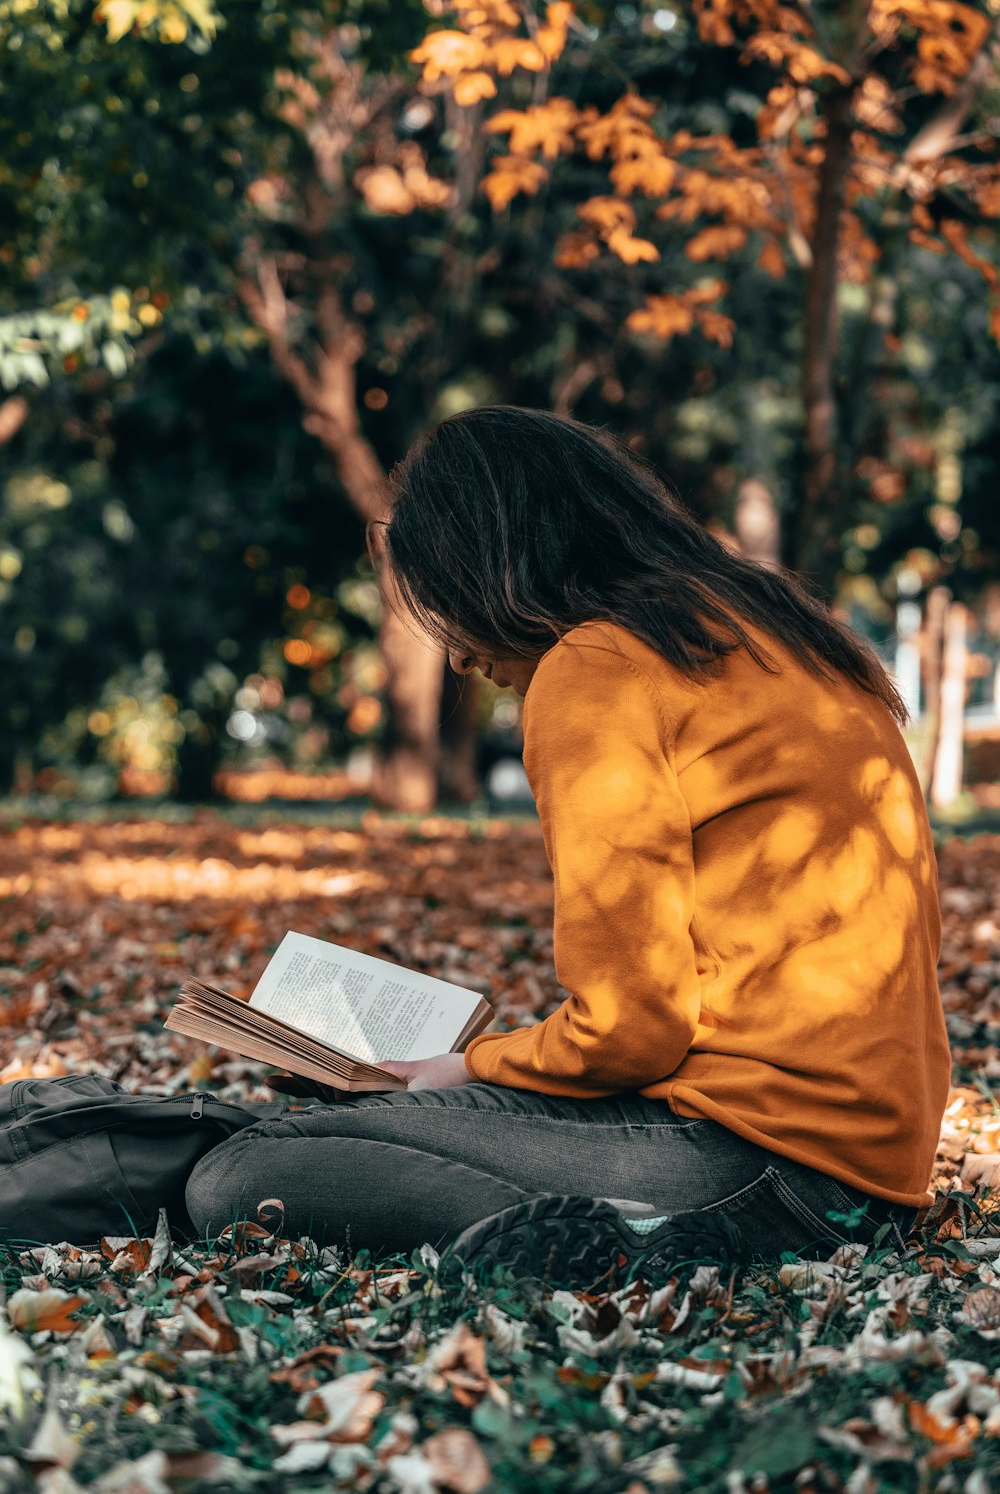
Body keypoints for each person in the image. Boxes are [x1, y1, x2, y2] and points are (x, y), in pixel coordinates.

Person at [185, 406, 950, 1283]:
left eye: (449, 604)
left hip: (762, 1163)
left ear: (497, 566)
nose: (461, 657)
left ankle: (631, 1247)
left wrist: (469, 1066)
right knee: (316, 1138)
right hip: (878, 1171)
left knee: (241, 1175)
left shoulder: (598, 667)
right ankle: (617, 1220)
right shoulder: (771, 632)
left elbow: (631, 1032)